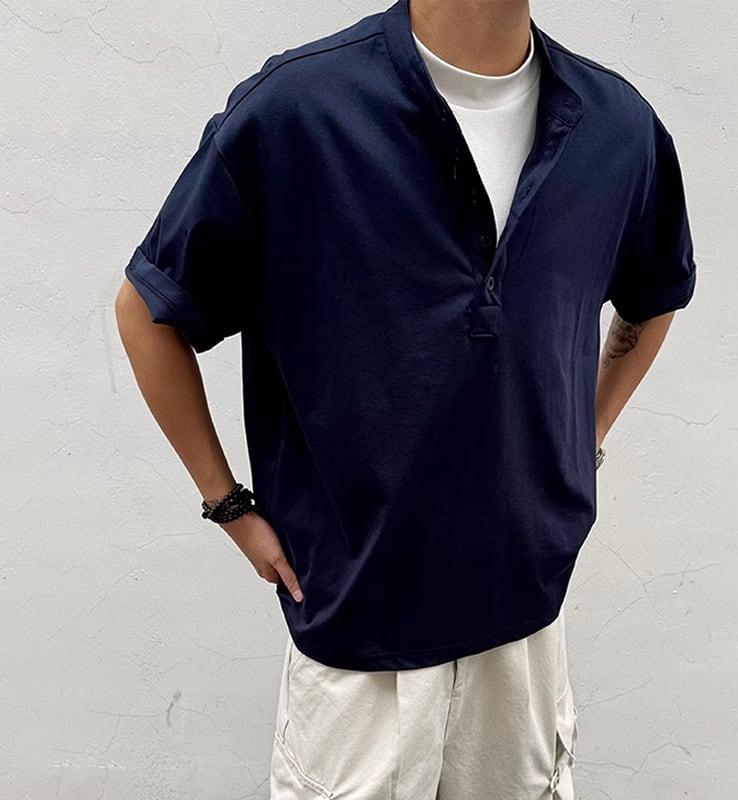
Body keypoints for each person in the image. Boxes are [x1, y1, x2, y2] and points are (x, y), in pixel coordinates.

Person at [115, 0, 696, 796]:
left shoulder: (616, 126)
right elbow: (148, 310)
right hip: (357, 633)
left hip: (524, 625)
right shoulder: (298, 111)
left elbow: (655, 290)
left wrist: (581, 437)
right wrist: (229, 505)